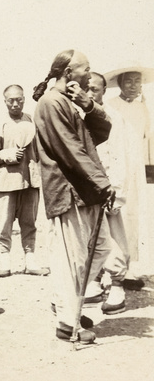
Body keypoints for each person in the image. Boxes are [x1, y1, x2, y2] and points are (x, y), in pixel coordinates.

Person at [33, 49, 114, 344]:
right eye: (85, 69)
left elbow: (101, 134)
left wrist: (88, 105)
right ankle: (68, 322)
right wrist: (103, 183)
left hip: (86, 190)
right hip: (69, 191)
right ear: (68, 73)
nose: (89, 75)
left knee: (102, 249)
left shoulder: (69, 102)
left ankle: (65, 302)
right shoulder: (50, 103)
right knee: (72, 259)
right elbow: (70, 149)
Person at [0, 85, 47, 277]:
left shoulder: (32, 121)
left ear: (24, 99)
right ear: (5, 101)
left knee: (30, 222)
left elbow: (41, 150)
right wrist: (8, 154)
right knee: (4, 223)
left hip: (30, 180)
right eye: (11, 100)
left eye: (19, 99)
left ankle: (30, 259)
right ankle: (4, 259)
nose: (15, 103)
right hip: (7, 181)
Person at [86, 73, 131, 313]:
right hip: (86, 187)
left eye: (95, 89)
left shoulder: (113, 117)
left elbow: (120, 156)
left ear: (104, 91)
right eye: (86, 88)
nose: (90, 93)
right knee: (90, 236)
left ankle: (117, 284)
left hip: (108, 184)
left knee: (113, 235)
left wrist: (117, 191)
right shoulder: (77, 115)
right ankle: (93, 281)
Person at [105, 68, 151, 281]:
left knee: (134, 216)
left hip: (136, 169)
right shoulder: (112, 106)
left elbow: (144, 136)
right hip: (118, 166)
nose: (133, 85)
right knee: (117, 214)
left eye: (137, 81)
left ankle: (131, 264)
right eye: (129, 81)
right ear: (121, 83)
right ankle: (112, 268)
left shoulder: (143, 108)